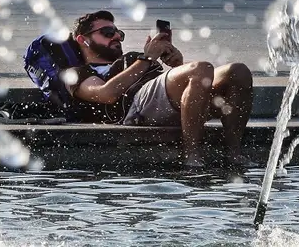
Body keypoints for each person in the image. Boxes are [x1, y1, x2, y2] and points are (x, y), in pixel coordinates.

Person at [23, 9, 254, 168]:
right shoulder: (77, 74)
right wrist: (146, 59)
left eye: (118, 33)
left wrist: (176, 65)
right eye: (107, 33)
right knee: (202, 68)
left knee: (238, 71)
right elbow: (106, 94)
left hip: (160, 103)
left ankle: (234, 153)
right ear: (83, 40)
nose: (116, 37)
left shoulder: (130, 59)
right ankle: (192, 156)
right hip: (133, 111)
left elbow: (185, 91)